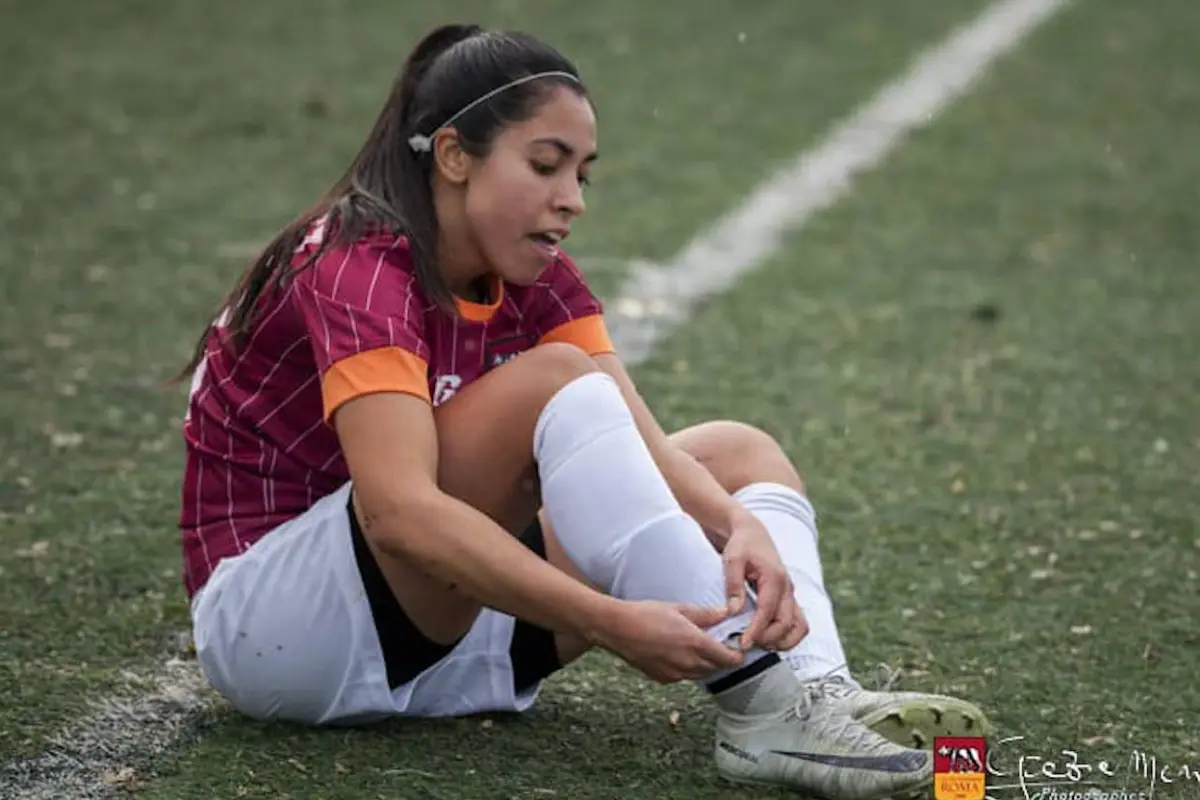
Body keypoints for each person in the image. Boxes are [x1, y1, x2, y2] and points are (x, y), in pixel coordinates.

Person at [177, 22, 990, 800]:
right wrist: (608, 621)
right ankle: (764, 710)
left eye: (582, 173)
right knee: (555, 380)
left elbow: (641, 444)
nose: (572, 199)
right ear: (454, 156)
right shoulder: (357, 265)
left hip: (448, 640)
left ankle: (814, 687)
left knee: (736, 458)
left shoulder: (535, 274)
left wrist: (736, 524)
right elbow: (398, 515)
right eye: (545, 164)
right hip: (282, 634)